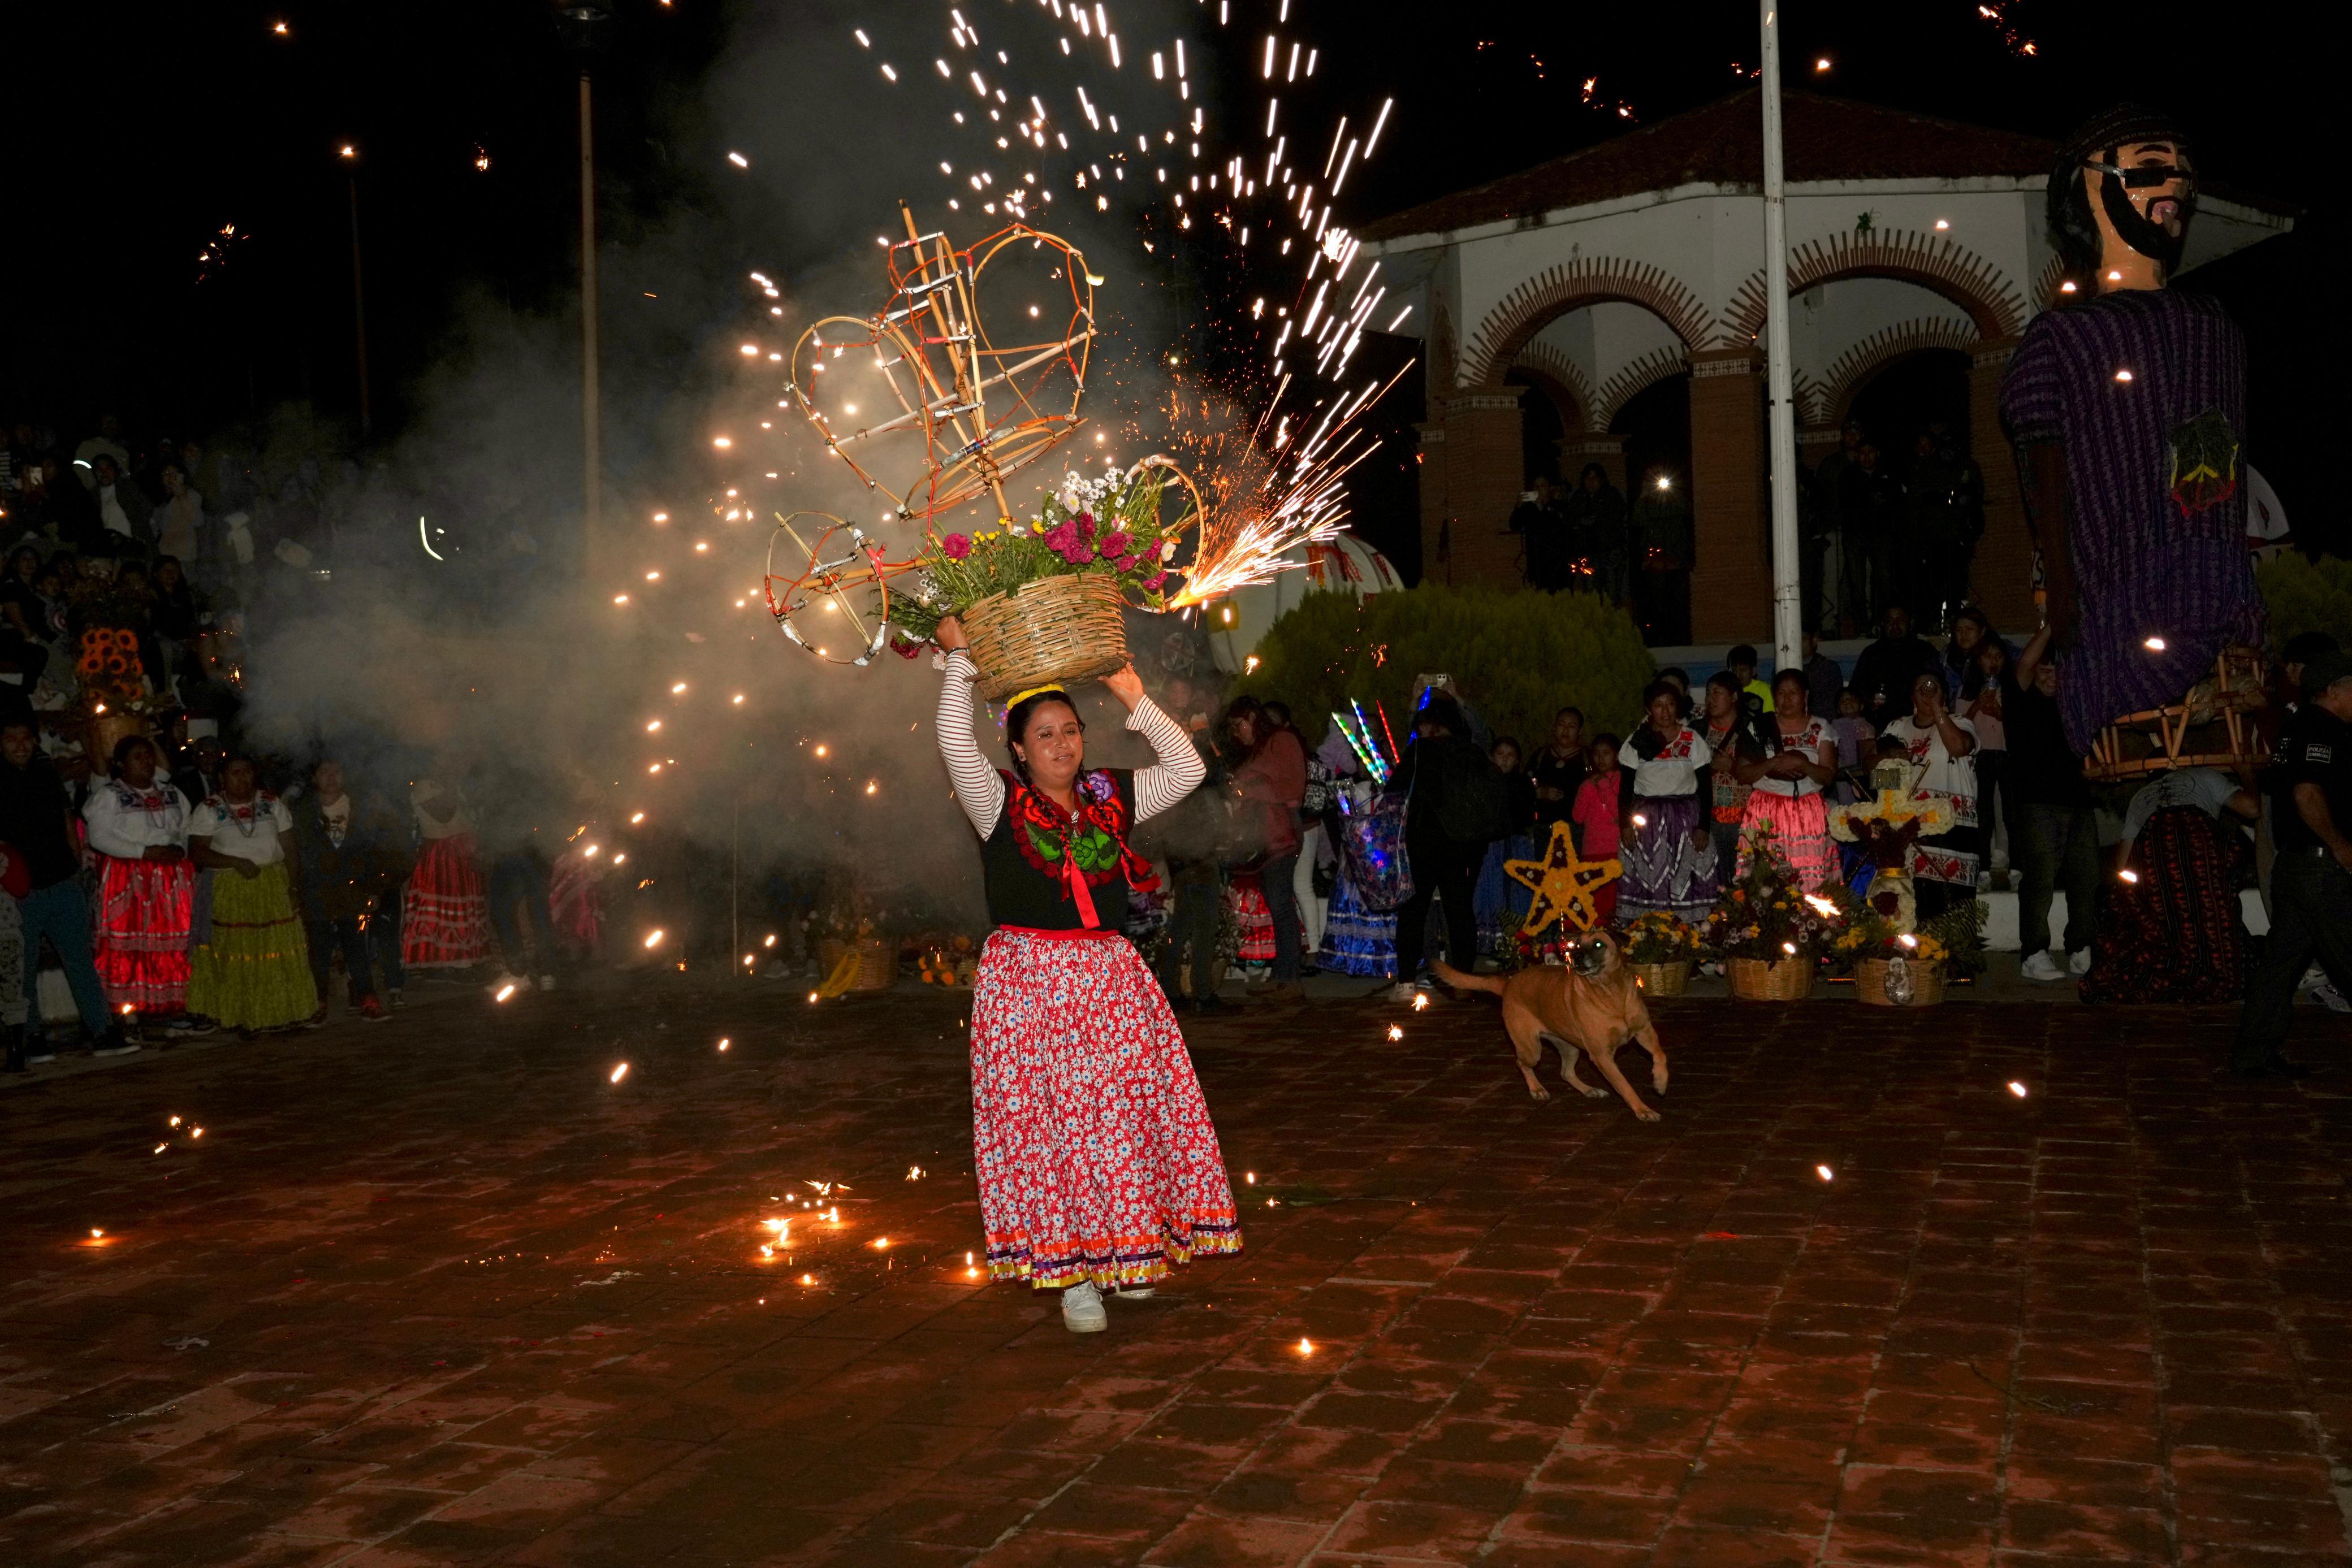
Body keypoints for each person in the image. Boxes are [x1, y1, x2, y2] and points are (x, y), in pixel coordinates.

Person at [931, 616, 1236, 1332]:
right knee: (1049, 1131)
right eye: (1044, 734)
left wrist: (1134, 695)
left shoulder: (1110, 794)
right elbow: (952, 740)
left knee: (1117, 1121)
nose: (1062, 744)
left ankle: (1124, 1253)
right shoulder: (995, 800)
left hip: (1109, 982)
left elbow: (1187, 770)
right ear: (1017, 748)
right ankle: (1072, 1276)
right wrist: (959, 658)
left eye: (1070, 730)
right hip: (1028, 986)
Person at [2005, 103, 2262, 756]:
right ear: (2087, 187)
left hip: (2208, 569)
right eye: (2150, 168)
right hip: (2117, 582)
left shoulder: (2211, 326)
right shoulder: (2060, 338)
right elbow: (2044, 476)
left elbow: (2215, 456)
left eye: (2183, 171)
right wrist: (2064, 597)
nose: (2174, 183)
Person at [2232, 652, 2352, 1077]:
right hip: (2320, 870)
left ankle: (2253, 1056)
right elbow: (2306, 793)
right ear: (2333, 690)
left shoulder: (2298, 727)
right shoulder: (2320, 728)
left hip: (2297, 869)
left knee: (2279, 966)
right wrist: (2339, 845)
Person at [0, 717, 128, 1063]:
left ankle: (102, 1030)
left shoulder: (46, 774)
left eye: (25, 738)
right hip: (19, 890)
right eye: (11, 739)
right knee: (23, 966)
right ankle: (31, 1036)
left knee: (80, 959)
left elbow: (66, 816)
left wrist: (74, 861)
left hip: (61, 880)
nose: (20, 746)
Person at [2078, 765, 2258, 1006]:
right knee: (2212, 911)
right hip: (2199, 844)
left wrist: (2135, 900)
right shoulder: (2205, 775)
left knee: (2169, 918)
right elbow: (2252, 809)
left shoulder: (2140, 796)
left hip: (2159, 853)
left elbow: (2123, 865)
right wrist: (2248, 775)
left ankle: (2185, 968)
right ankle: (2219, 971)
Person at [185, 755, 319, 1033]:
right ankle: (245, 1016)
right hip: (231, 888)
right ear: (222, 778)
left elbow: (290, 848)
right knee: (239, 952)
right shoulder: (209, 809)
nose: (242, 778)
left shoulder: (271, 803)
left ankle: (283, 1012)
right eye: (235, 773)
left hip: (272, 885)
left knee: (277, 949)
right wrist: (234, 862)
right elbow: (197, 853)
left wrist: (294, 887)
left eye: (247, 772)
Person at [82, 735, 196, 1031]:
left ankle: (173, 1005)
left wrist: (180, 849)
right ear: (120, 764)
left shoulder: (172, 793)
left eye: (148, 755)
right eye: (137, 757)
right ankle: (127, 1010)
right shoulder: (110, 796)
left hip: (170, 878)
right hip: (128, 878)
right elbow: (99, 837)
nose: (146, 762)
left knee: (173, 944)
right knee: (131, 946)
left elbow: (187, 828)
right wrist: (144, 852)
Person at [1387, 691, 1495, 998]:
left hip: (1424, 841)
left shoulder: (1420, 751)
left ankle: (1406, 982)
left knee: (1414, 911)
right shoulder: (1472, 752)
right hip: (1465, 845)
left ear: (1432, 724)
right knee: (1460, 911)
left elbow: (1393, 790)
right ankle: (1463, 981)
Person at [2007, 627, 2098, 980]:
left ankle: (2081, 948)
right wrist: (2052, 624)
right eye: (2045, 671)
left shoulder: (2076, 705)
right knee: (2040, 879)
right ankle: (2034, 953)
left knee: (2086, 879)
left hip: (2080, 801)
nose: (2050, 677)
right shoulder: (2021, 699)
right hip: (2038, 802)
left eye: (2057, 671)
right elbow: (2025, 664)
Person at [293, 757, 408, 1021]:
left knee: (357, 948)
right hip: (318, 891)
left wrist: (374, 889)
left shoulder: (361, 809)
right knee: (319, 950)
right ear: (314, 778)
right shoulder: (303, 811)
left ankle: (367, 999)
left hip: (353, 891)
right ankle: (317, 1003)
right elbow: (297, 852)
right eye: (324, 771)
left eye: (337, 771)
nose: (331, 777)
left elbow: (374, 851)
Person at [1226, 696, 1308, 1001]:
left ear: (1252, 717)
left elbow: (1293, 788)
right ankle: (1282, 976)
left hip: (1282, 833)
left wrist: (1249, 791)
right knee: (1277, 904)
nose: (1237, 733)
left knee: (1281, 903)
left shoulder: (1282, 740)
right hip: (1265, 835)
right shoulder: (1260, 748)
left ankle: (1291, 980)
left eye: (1239, 725)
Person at [1880, 670, 1979, 918]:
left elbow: (1959, 747)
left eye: (1934, 688)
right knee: (1910, 905)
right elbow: (1878, 779)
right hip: (1907, 829)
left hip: (1951, 830)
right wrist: (1889, 759)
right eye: (1921, 689)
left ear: (1944, 694)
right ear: (1912, 697)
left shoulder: (1960, 722)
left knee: (1951, 906)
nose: (1927, 693)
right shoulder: (1897, 727)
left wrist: (1937, 709)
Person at [1618, 680, 1718, 922]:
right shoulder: (1637, 742)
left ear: (1678, 707)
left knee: (1687, 879)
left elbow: (1706, 788)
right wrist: (1625, 825)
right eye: (1658, 705)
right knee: (1650, 879)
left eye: (1670, 704)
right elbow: (1626, 789)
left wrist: (1703, 826)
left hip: (1685, 820)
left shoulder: (1692, 739)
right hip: (1647, 822)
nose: (1665, 711)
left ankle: (1691, 933)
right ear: (1648, 709)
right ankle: (1651, 932)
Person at [1735, 669, 1840, 890]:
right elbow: (1742, 774)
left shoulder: (1820, 727)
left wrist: (1801, 764)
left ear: (1805, 696)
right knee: (1765, 879)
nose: (1787, 699)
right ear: (1774, 697)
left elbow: (1829, 775)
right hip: (1766, 812)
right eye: (1781, 693)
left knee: (1809, 882)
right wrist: (1772, 764)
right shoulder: (1758, 727)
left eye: (1793, 693)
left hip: (1807, 814)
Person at [402, 766, 492, 970]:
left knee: (463, 910)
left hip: (462, 854)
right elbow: (445, 815)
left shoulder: (455, 787)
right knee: (443, 911)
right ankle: (441, 962)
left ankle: (465, 959)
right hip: (440, 857)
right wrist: (452, 785)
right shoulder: (424, 787)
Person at [1472, 735, 1540, 959]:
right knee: (1492, 890)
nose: (1505, 759)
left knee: (1517, 890)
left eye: (1510, 756)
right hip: (1492, 846)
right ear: (1492, 757)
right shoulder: (1484, 782)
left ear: (1518, 760)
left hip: (1516, 844)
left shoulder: (1522, 784)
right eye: (1500, 754)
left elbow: (1526, 814)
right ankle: (1492, 944)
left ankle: (1518, 944)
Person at [1965, 636, 2014, 883]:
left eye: (1999, 656)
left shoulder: (2013, 689)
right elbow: (1960, 726)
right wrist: (1977, 704)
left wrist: (1999, 712)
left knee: (2009, 810)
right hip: (1981, 756)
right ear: (1979, 661)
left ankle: (2014, 863)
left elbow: (2020, 726)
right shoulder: (1968, 689)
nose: (1993, 662)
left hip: (2006, 755)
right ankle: (1982, 864)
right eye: (1987, 657)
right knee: (1982, 811)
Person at [1840, 443, 1905, 623]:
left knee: (1885, 581)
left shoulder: (1888, 475)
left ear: (1878, 453)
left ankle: (1883, 623)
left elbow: (1896, 501)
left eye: (1871, 452)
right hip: (1855, 534)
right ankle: (1862, 624)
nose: (1867, 457)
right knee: (1857, 583)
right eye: (1862, 453)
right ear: (1856, 455)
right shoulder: (1848, 475)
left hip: (1882, 534)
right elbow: (1846, 501)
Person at [1851, 606, 1942, 730]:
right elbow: (1855, 689)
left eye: (1900, 620)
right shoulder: (1871, 654)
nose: (1895, 625)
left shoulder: (1925, 651)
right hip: (1879, 724)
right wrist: (1867, 701)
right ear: (1883, 624)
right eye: (1889, 620)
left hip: (1919, 722)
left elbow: (1938, 686)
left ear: (1910, 622)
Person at [1698, 672, 1750, 888]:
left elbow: (1763, 771)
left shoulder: (1750, 730)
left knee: (1744, 882)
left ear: (1734, 697)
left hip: (1744, 820)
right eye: (1708, 693)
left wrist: (1732, 767)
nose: (1710, 699)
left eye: (1717, 693)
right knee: (1713, 882)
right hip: (1708, 821)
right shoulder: (1698, 731)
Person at [1571, 733, 1629, 924]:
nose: (1601, 759)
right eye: (1596, 754)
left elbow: (1618, 814)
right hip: (1591, 852)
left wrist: (1603, 786)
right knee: (1594, 902)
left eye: (1606, 753)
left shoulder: (1621, 780)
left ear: (1617, 755)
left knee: (1613, 901)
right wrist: (1587, 788)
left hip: (1615, 850)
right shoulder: (1588, 784)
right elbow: (1578, 817)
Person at [1630, 466, 1692, 644]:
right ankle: (1659, 639)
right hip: (1655, 560)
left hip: (1675, 558)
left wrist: (1672, 492)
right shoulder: (1645, 502)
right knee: (1657, 603)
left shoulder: (1676, 498)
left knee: (1677, 602)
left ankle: (1678, 638)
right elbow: (1637, 521)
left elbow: (1686, 510)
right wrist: (1644, 495)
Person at [1815, 421, 1866, 632]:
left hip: (1863, 531)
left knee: (1864, 580)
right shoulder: (1830, 465)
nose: (1852, 437)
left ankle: (1866, 623)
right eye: (1848, 433)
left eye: (1856, 432)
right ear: (1842, 437)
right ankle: (1828, 624)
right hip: (1835, 528)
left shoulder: (1868, 461)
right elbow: (1819, 498)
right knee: (1831, 578)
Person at [1562, 464, 1630, 603]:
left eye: (1595, 478)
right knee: (1591, 592)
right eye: (1588, 478)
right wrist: (1581, 520)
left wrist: (1597, 520)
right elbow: (1568, 517)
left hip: (1610, 552)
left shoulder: (1611, 494)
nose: (1591, 482)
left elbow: (1618, 513)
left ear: (1602, 480)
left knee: (1612, 592)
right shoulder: (1579, 496)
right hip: (1588, 552)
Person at [1529, 707, 1586, 839]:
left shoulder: (1588, 759)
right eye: (1562, 725)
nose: (1565, 730)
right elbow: (1527, 782)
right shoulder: (1540, 756)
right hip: (1543, 829)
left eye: (1571, 726)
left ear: (1580, 731)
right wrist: (1539, 792)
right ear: (1554, 727)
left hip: (1576, 831)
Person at [1508, 475, 1565, 592]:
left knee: (1556, 593)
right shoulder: (1529, 508)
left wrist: (1541, 508)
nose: (1539, 489)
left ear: (1550, 488)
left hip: (1555, 560)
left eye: (1543, 486)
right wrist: (1518, 507)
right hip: (1535, 560)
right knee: (1537, 592)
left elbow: (1555, 527)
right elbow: (1514, 525)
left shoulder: (1557, 506)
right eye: (1536, 486)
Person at [88, 454, 150, 552]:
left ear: (115, 470)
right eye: (100, 470)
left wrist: (138, 532)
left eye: (108, 469)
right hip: (107, 549)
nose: (104, 473)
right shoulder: (92, 496)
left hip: (133, 545)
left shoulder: (128, 488)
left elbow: (147, 507)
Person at [152, 462, 204, 565]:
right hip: (163, 557)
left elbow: (198, 521)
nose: (171, 477)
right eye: (166, 473)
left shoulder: (191, 495)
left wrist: (183, 497)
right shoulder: (160, 500)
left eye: (175, 473)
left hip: (183, 558)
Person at [1801, 630, 1841, 721]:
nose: (1798, 644)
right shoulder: (1783, 671)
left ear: (1814, 641)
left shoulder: (1829, 668)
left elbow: (1831, 705)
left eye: (1803, 639)